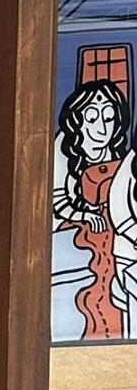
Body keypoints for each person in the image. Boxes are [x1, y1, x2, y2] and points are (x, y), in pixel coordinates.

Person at [54, 79, 133, 341]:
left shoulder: (119, 155)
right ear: (78, 120)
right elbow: (58, 202)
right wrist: (85, 215)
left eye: (109, 118)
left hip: (116, 223)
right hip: (81, 228)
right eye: (92, 118)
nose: (101, 127)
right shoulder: (64, 148)